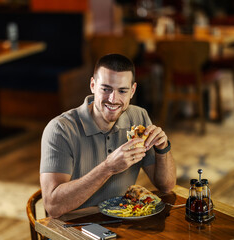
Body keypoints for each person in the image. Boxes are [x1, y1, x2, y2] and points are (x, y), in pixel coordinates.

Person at [40, 54, 176, 218]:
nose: (113, 99)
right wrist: (108, 168)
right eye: (106, 89)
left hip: (122, 220)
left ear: (132, 90)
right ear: (92, 85)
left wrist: (163, 148)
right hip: (72, 226)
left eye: (122, 91)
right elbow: (53, 206)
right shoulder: (60, 130)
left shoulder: (138, 117)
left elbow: (167, 186)